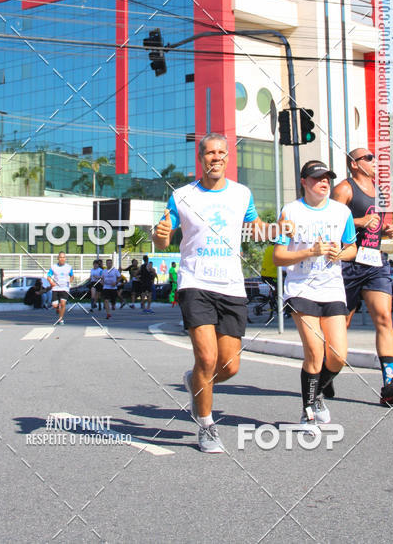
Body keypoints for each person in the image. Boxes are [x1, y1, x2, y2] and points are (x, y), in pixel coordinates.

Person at [153, 133, 293, 453]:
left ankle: (195, 381)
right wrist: (159, 236)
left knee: (229, 366)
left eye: (221, 152)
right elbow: (163, 237)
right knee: (207, 358)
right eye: (209, 153)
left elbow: (255, 228)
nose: (215, 157)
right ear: (200, 158)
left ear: (228, 157)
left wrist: (276, 229)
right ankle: (206, 425)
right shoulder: (182, 196)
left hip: (231, 285)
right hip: (195, 283)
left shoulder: (242, 194)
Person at [274, 160, 357, 429]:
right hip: (300, 288)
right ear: (304, 182)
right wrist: (310, 251)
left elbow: (352, 248)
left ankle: (317, 391)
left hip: (332, 289)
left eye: (326, 178)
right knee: (314, 350)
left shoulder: (341, 212)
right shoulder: (290, 211)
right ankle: (308, 411)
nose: (323, 182)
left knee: (338, 356)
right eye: (317, 178)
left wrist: (339, 253)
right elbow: (278, 256)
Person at [332, 147, 393, 406]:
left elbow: (376, 226)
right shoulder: (345, 189)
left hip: (375, 262)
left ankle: (390, 384)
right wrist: (358, 222)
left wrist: (387, 230)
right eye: (368, 158)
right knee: (341, 325)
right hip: (348, 263)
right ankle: (326, 373)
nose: (374, 160)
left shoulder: (380, 192)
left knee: (384, 317)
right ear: (354, 164)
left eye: (374, 157)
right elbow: (329, 222)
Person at [47, 251, 73, 325]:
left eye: (63, 257)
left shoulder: (68, 267)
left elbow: (72, 276)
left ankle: (61, 319)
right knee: (54, 305)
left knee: (63, 303)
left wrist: (70, 281)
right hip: (56, 288)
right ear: (58, 258)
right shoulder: (53, 267)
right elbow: (48, 276)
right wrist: (51, 282)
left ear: (65, 258)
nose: (62, 259)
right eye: (60, 257)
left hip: (65, 288)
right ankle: (57, 308)